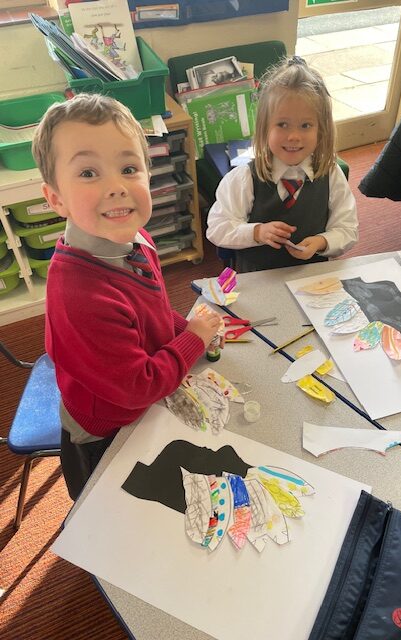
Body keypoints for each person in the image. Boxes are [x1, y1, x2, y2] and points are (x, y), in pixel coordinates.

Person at [31, 93, 223, 500]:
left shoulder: (137, 240)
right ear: (55, 199)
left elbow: (150, 310)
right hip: (104, 433)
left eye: (129, 168)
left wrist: (185, 328)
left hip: (141, 404)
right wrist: (194, 340)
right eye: (88, 173)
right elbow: (138, 386)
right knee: (117, 527)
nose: (117, 187)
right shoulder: (80, 294)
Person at [206, 56, 358, 272]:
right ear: (265, 128)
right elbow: (217, 228)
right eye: (282, 124)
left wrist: (321, 242)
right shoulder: (244, 178)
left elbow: (347, 229)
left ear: (321, 130)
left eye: (305, 125)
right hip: (257, 281)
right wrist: (256, 232)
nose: (294, 136)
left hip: (311, 280)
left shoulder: (331, 175)